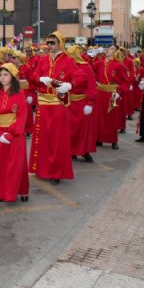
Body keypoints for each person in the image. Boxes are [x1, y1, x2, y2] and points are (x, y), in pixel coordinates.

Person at [29, 32, 83, 184]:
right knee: (43, 139)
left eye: (53, 42)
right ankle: (43, 169)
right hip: (43, 106)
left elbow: (81, 77)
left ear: (60, 43)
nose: (50, 46)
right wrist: (39, 78)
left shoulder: (68, 60)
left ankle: (56, 172)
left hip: (58, 105)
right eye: (48, 43)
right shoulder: (43, 60)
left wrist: (70, 85)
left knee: (57, 140)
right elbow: (33, 77)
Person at [0, 63, 29, 202]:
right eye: (1, 75)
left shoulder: (19, 93)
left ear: (12, 77)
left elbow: (22, 116)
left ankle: (20, 190)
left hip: (14, 135)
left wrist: (11, 133)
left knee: (16, 164)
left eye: (6, 75)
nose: (2, 78)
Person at [92, 45, 129, 150]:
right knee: (99, 117)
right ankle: (99, 139)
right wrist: (92, 55)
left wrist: (119, 92)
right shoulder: (100, 63)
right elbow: (88, 68)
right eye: (108, 48)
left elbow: (125, 82)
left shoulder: (119, 65)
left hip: (112, 94)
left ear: (115, 52)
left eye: (111, 48)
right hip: (100, 93)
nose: (108, 49)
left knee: (111, 118)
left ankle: (113, 140)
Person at [66, 45, 97, 163]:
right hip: (68, 102)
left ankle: (84, 151)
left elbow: (91, 85)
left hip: (81, 102)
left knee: (83, 129)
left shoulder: (86, 67)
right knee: (69, 129)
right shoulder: (66, 66)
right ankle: (71, 151)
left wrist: (90, 102)